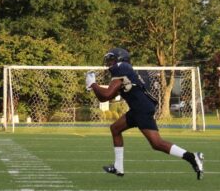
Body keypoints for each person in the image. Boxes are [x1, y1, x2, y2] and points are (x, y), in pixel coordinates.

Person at [85, 47, 204, 179]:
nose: (109, 63)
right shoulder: (123, 71)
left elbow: (106, 95)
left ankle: (192, 157)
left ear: (120, 60)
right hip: (138, 109)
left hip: (141, 108)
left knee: (157, 143)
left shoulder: (122, 67)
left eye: (111, 60)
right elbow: (105, 97)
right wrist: (93, 86)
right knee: (115, 129)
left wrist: (94, 84)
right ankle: (118, 167)